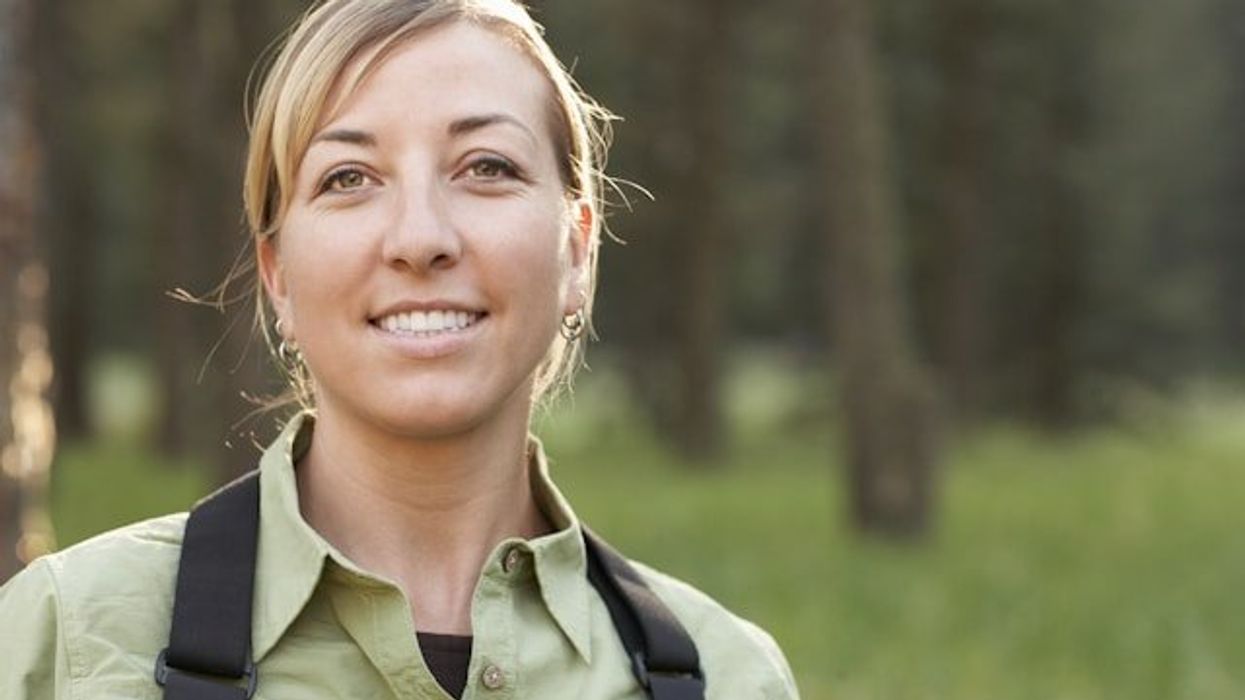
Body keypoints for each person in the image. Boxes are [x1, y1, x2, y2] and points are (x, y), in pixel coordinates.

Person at [0, 1, 800, 698]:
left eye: (485, 167)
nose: (420, 239)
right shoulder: (63, 641)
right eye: (349, 177)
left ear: (577, 253)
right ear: (277, 274)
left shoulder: (724, 676)